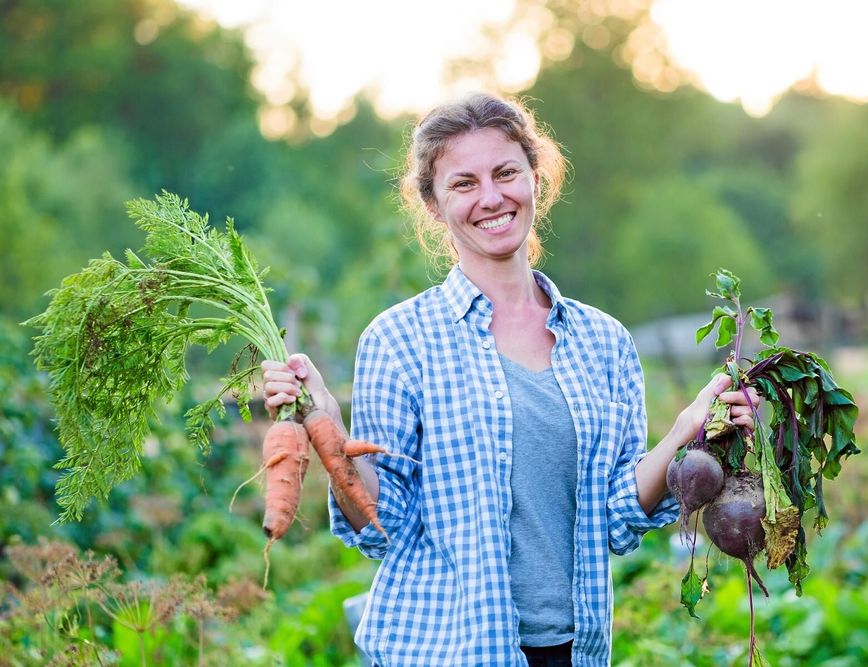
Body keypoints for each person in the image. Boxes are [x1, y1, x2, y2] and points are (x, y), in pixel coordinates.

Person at [262, 92, 760, 667]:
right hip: (441, 651)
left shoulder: (604, 343)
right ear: (433, 203)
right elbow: (384, 524)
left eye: (505, 173)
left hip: (575, 651)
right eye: (463, 183)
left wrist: (684, 430)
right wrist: (326, 421)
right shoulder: (399, 340)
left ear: (535, 179)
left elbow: (618, 517)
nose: (491, 198)